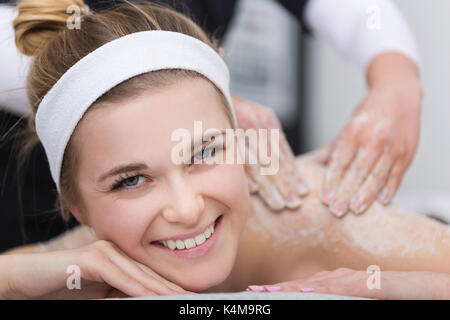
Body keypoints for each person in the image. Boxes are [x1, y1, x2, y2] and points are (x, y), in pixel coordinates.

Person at [1, 1, 449, 300]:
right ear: (75, 207)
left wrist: (391, 285)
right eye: (131, 179)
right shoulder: (87, 264)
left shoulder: (317, 217)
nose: (185, 209)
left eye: (203, 153)